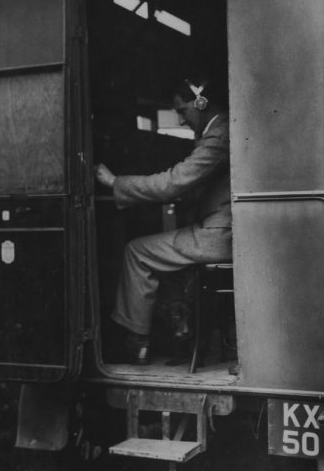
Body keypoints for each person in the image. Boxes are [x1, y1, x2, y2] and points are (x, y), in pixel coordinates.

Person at [94, 76, 232, 365]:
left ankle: (136, 345)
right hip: (219, 229)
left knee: (137, 251)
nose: (182, 121)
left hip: (216, 235)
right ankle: (178, 336)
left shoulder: (219, 133)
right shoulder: (218, 130)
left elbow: (174, 182)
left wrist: (115, 182)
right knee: (162, 259)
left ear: (201, 102)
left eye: (183, 111)